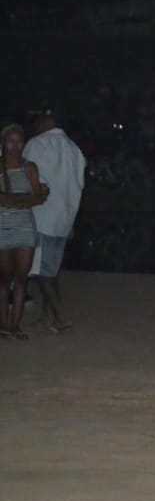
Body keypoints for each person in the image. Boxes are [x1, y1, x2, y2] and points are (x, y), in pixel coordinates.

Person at [21, 110, 85, 332]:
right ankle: (47, 315)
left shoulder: (36, 145)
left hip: (42, 217)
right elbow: (78, 187)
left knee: (42, 272)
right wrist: (71, 221)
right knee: (51, 270)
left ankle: (59, 317)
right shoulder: (74, 149)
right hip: (64, 220)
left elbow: (26, 181)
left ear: (42, 123)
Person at [1, 125, 47, 339]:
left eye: (19, 141)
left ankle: (14, 326)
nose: (15, 146)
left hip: (25, 229)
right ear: (3, 143)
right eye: (10, 141)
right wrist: (26, 200)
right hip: (2, 229)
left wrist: (14, 201)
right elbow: (36, 196)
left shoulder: (30, 167)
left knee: (21, 280)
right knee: (3, 280)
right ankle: (3, 325)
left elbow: (39, 198)